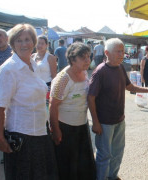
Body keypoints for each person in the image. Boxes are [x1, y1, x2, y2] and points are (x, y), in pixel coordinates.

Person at [88, 38, 148, 180]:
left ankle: (112, 176)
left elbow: (130, 87)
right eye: (118, 51)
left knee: (117, 153)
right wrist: (95, 122)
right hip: (104, 123)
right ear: (106, 53)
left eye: (123, 51)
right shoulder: (100, 72)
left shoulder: (120, 67)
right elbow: (90, 97)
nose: (122, 54)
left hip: (119, 120)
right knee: (104, 156)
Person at [0, 23, 58, 180]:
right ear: (12, 43)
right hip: (22, 136)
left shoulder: (33, 65)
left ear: (34, 42)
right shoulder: (9, 69)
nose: (24, 44)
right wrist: (0, 138)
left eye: (27, 39)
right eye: (19, 40)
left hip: (40, 133)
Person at [50, 42, 96, 180]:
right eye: (83, 58)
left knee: (82, 163)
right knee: (68, 164)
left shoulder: (84, 73)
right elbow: (53, 105)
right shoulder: (63, 79)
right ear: (72, 59)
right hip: (65, 128)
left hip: (81, 125)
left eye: (89, 57)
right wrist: (55, 130)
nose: (88, 60)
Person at [32, 35, 57, 104]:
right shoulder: (32, 56)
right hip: (34, 87)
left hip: (47, 87)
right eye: (38, 43)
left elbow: (54, 75)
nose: (39, 45)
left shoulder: (50, 57)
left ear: (47, 45)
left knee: (45, 109)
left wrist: (53, 90)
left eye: (42, 43)